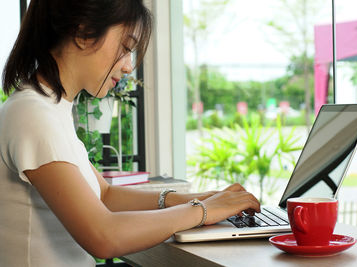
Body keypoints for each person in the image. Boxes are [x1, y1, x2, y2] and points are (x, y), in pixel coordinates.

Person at [0, 0, 261, 266]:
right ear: (82, 33)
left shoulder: (49, 108)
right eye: (125, 48)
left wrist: (197, 199)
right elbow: (102, 236)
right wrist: (203, 211)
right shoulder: (33, 115)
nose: (128, 66)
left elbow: (106, 196)